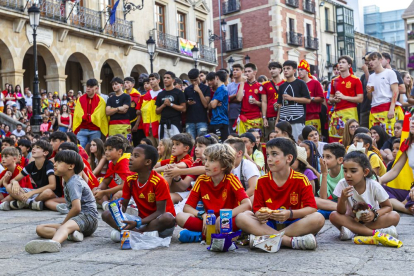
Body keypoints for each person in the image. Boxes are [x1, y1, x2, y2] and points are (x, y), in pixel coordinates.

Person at [235, 138, 325, 250]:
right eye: (267, 155)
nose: (269, 159)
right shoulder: (262, 181)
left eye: (274, 154)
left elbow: (312, 208)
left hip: (294, 224)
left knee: (318, 218)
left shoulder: (301, 180)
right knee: (241, 217)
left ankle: (268, 239)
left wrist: (290, 214)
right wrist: (260, 215)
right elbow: (257, 209)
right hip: (269, 224)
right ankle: (289, 241)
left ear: (289, 158)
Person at [25, 150, 99, 254]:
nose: (54, 164)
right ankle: (71, 235)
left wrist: (64, 224)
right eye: (55, 162)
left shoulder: (74, 181)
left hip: (88, 217)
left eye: (59, 162)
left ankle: (54, 243)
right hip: (78, 220)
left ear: (71, 166)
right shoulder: (68, 181)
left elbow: (77, 208)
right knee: (40, 229)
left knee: (63, 227)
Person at [176, 144, 251, 243]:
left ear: (224, 165)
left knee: (244, 217)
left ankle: (202, 236)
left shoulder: (232, 179)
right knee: (180, 217)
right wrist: (203, 215)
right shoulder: (201, 180)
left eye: (211, 161)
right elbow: (187, 207)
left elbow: (247, 204)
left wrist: (224, 216)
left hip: (227, 221)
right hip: (208, 221)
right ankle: (219, 236)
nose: (206, 164)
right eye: (206, 159)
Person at [102, 144, 176, 241]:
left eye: (136, 156)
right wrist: (118, 207)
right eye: (131, 155)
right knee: (106, 214)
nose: (130, 158)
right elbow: (124, 207)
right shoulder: (130, 180)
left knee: (168, 218)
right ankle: (141, 234)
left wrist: (137, 223)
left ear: (148, 162)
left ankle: (133, 233)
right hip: (141, 221)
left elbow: (160, 212)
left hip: (159, 224)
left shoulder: (159, 181)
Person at [329, 151, 400, 240]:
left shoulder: (374, 185)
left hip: (371, 220)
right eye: (345, 170)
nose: (348, 175)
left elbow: (388, 207)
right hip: (352, 220)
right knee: (333, 215)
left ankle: (353, 231)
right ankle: (376, 233)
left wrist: (374, 214)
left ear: (365, 172)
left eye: (353, 171)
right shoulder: (342, 184)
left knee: (394, 216)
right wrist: (342, 199)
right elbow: (340, 212)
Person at [6, 140, 60, 211]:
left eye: (37, 147)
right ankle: (30, 203)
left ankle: (23, 203)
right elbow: (14, 179)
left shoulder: (49, 165)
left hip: (50, 194)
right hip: (37, 193)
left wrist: (31, 193)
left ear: (45, 152)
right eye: (33, 147)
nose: (33, 149)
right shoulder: (31, 165)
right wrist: (15, 182)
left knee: (48, 192)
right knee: (10, 186)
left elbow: (52, 186)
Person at [328, 56, 363, 142]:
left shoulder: (356, 80)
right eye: (339, 62)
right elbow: (329, 100)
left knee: (351, 136)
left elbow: (360, 99)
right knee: (334, 136)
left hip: (350, 112)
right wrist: (334, 100)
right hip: (337, 112)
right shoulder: (334, 81)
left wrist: (344, 97)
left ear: (349, 65)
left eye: (343, 62)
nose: (340, 64)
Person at [93, 136, 133, 208]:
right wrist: (98, 190)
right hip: (117, 192)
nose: (106, 152)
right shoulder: (112, 164)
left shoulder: (124, 162)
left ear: (120, 151)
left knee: (118, 194)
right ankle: (106, 205)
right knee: (94, 190)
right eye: (106, 150)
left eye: (110, 150)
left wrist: (103, 192)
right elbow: (105, 182)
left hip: (132, 193)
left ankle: (109, 205)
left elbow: (124, 186)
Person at [276, 61, 311, 141]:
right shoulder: (281, 86)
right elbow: (280, 105)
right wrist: (277, 120)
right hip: (283, 120)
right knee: (284, 143)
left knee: (297, 143)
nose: (285, 71)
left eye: (288, 68)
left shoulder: (301, 83)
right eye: (284, 69)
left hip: (297, 119)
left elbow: (308, 100)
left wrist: (292, 98)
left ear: (294, 70)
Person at [154, 133, 194, 202]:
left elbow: (176, 166)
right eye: (173, 144)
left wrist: (154, 171)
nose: (173, 147)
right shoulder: (173, 159)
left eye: (177, 144)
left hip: (184, 192)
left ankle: (159, 193)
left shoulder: (188, 160)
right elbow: (156, 164)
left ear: (186, 148)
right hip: (173, 190)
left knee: (169, 170)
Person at [366, 52, 399, 135]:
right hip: (374, 108)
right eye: (369, 60)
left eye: (373, 59)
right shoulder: (371, 76)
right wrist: (369, 92)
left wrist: (392, 108)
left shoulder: (389, 73)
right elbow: (370, 97)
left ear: (380, 60)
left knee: (389, 134)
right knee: (375, 135)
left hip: (386, 107)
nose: (371, 62)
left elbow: (395, 91)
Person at [73, 79, 108, 149]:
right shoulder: (80, 99)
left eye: (91, 87)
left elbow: (100, 115)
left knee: (95, 151)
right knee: (78, 149)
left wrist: (87, 117)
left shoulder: (101, 101)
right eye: (87, 86)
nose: (88, 88)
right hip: (82, 129)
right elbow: (78, 113)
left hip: (95, 129)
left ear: (96, 88)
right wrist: (89, 117)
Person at [316, 143, 346, 219]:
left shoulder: (346, 170)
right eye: (323, 156)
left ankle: (344, 210)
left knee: (320, 212)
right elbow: (323, 198)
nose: (324, 160)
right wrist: (324, 174)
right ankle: (341, 210)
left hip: (347, 202)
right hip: (333, 204)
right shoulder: (324, 174)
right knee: (314, 200)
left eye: (328, 157)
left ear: (340, 160)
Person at [235, 63, 265, 135]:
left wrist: (256, 102)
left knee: (257, 140)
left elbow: (264, 104)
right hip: (244, 118)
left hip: (256, 118)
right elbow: (239, 99)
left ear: (255, 72)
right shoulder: (241, 85)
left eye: (249, 71)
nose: (247, 73)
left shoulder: (260, 86)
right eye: (245, 72)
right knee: (243, 140)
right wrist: (242, 82)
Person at [156, 71, 186, 139]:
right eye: (164, 78)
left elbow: (183, 108)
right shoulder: (160, 94)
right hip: (163, 123)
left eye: (168, 78)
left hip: (175, 123)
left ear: (173, 80)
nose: (165, 79)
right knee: (164, 146)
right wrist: (163, 105)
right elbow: (157, 111)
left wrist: (171, 104)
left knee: (175, 144)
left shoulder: (179, 92)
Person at [297, 60, 325, 134]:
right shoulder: (296, 83)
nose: (299, 71)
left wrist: (310, 98)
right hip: (299, 117)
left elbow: (322, 98)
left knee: (314, 139)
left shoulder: (315, 83)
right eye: (298, 70)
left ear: (307, 71)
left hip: (313, 116)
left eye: (302, 69)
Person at [135, 73, 163, 146]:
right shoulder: (145, 96)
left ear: (158, 80)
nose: (151, 81)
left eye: (153, 79)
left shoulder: (163, 93)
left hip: (160, 124)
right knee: (151, 147)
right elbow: (141, 111)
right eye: (150, 80)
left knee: (161, 146)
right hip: (148, 125)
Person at [184, 69, 211, 139]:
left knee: (202, 142)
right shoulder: (187, 90)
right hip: (190, 121)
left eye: (195, 80)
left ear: (199, 77)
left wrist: (199, 91)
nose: (193, 82)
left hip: (202, 120)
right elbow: (184, 107)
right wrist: (188, 103)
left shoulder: (206, 88)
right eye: (191, 80)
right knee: (190, 142)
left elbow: (205, 105)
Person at [262, 62, 285, 140]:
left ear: (280, 70)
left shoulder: (285, 83)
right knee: (269, 139)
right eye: (270, 69)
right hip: (270, 118)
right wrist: (264, 118)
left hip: (283, 116)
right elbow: (264, 102)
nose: (271, 71)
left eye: (274, 68)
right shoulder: (265, 84)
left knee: (283, 139)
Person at [381, 52, 406, 121]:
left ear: (388, 60)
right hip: (381, 108)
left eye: (382, 59)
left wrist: (389, 88)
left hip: (393, 107)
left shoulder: (394, 72)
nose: (380, 61)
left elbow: (403, 89)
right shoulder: (377, 74)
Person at [208, 70, 229, 142]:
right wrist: (213, 103)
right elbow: (210, 105)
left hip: (220, 121)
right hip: (215, 121)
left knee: (220, 144)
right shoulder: (218, 89)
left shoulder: (222, 89)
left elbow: (213, 105)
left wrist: (213, 103)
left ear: (217, 78)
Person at [124, 76, 144, 146]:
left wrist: (136, 125)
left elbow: (139, 112)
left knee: (136, 141)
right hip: (125, 123)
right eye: (124, 83)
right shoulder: (123, 95)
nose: (125, 84)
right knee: (127, 141)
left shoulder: (138, 96)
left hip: (135, 122)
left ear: (133, 84)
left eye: (127, 82)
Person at [227, 64, 243, 133]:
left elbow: (240, 99)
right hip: (230, 114)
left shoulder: (244, 84)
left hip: (241, 114)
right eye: (233, 70)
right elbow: (226, 99)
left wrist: (231, 98)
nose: (234, 72)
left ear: (242, 71)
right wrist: (235, 95)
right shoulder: (229, 85)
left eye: (237, 70)